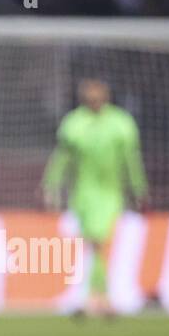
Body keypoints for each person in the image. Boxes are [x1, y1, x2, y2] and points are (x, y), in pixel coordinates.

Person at [42, 79, 148, 318]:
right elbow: (62, 158)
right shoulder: (74, 123)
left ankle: (95, 297)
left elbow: (131, 160)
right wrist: (51, 185)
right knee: (95, 243)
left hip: (111, 192)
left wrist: (138, 187)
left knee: (98, 241)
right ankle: (101, 298)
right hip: (84, 192)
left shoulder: (121, 123)